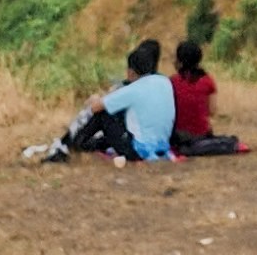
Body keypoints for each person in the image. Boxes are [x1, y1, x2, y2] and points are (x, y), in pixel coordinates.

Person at [38, 37, 176, 164]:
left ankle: (70, 147)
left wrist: (96, 99)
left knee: (103, 115)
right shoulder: (164, 82)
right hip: (162, 145)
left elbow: (96, 108)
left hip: (139, 151)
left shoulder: (133, 89)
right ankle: (77, 145)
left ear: (131, 71)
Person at [170, 40, 243, 156]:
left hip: (179, 136)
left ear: (179, 60)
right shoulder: (208, 81)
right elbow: (212, 111)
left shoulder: (171, 82)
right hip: (202, 134)